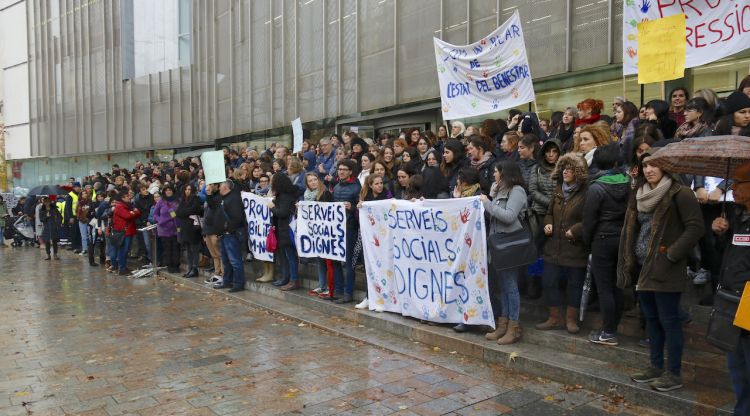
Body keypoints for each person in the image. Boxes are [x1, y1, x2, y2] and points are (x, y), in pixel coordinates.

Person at [617, 152, 703, 392]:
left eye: (654, 164)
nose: (649, 169)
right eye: (645, 164)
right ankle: (655, 367)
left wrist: (671, 255)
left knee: (669, 321)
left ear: (666, 167)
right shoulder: (640, 194)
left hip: (666, 268)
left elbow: (695, 228)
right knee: (651, 320)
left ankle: (673, 373)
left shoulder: (679, 193)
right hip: (642, 268)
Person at [710, 162, 750, 416]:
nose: (732, 189)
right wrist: (721, 235)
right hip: (731, 301)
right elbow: (727, 257)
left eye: (739, 184)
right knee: (737, 368)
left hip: (748, 302)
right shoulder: (737, 217)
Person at [583, 144, 630, 346]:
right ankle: (612, 327)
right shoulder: (629, 183)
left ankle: (608, 331)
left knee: (604, 288)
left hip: (602, 239)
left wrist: (587, 241)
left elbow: (589, 219)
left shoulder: (596, 187)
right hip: (622, 238)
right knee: (616, 285)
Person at [536, 153, 589, 334]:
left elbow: (589, 219)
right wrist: (548, 223)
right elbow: (549, 212)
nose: (566, 172)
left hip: (574, 248)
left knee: (574, 285)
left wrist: (575, 230)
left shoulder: (586, 192)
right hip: (553, 248)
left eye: (570, 169)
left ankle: (571, 319)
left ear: (578, 172)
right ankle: (554, 318)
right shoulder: (558, 189)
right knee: (549, 281)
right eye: (564, 168)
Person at [481, 161, 528, 345]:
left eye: (496, 172)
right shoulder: (500, 191)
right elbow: (494, 215)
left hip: (510, 245)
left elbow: (509, 216)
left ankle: (513, 327)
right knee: (503, 285)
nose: (493, 175)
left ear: (504, 173)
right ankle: (503, 323)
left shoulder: (517, 191)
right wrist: (491, 199)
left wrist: (488, 203)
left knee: (510, 285)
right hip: (498, 246)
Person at [332, 159, 361, 303]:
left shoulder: (356, 187)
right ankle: (338, 290)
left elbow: (362, 207)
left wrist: (353, 207)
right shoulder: (336, 187)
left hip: (350, 229)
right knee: (336, 260)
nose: (341, 171)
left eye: (344, 169)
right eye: (339, 169)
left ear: (350, 171)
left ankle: (348, 292)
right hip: (337, 229)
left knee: (348, 262)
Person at [302, 172, 334, 297]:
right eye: (310, 181)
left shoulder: (325, 193)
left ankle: (330, 287)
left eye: (315, 179)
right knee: (319, 260)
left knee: (327, 261)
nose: (313, 182)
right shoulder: (306, 196)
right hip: (315, 232)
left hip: (326, 232)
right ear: (307, 184)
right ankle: (322, 285)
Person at [269, 173, 301, 291]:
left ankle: (293, 280)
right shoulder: (282, 195)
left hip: (287, 230)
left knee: (291, 256)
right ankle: (287, 278)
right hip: (282, 229)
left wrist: (272, 207)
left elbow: (282, 212)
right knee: (286, 256)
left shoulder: (285, 196)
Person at [215, 180, 248, 293]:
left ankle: (239, 283)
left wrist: (228, 229)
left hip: (232, 234)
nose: (218, 187)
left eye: (220, 185)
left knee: (235, 260)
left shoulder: (234, 198)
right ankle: (227, 281)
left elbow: (237, 218)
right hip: (224, 234)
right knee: (226, 260)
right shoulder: (223, 198)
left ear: (226, 186)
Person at [175, 184, 203, 278]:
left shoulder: (196, 199)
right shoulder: (183, 200)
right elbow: (178, 212)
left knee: (194, 249)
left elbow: (194, 209)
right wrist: (186, 212)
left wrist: (185, 212)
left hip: (193, 228)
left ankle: (195, 269)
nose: (187, 191)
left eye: (189, 189)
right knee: (188, 249)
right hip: (184, 228)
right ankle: (190, 268)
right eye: (186, 189)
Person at [153, 185, 181, 274]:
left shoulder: (178, 201)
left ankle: (176, 265)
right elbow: (155, 214)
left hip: (176, 228)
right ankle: (170, 265)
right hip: (164, 229)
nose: (168, 192)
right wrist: (160, 220)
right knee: (167, 248)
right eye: (166, 190)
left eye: (170, 190)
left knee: (176, 247)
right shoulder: (161, 202)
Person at [112, 192, 141, 276]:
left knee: (126, 250)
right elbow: (127, 216)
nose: (129, 197)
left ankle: (123, 267)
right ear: (123, 198)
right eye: (127, 196)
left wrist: (133, 213)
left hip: (128, 230)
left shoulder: (128, 206)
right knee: (123, 250)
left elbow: (137, 213)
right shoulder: (120, 207)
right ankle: (122, 268)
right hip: (124, 232)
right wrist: (133, 212)